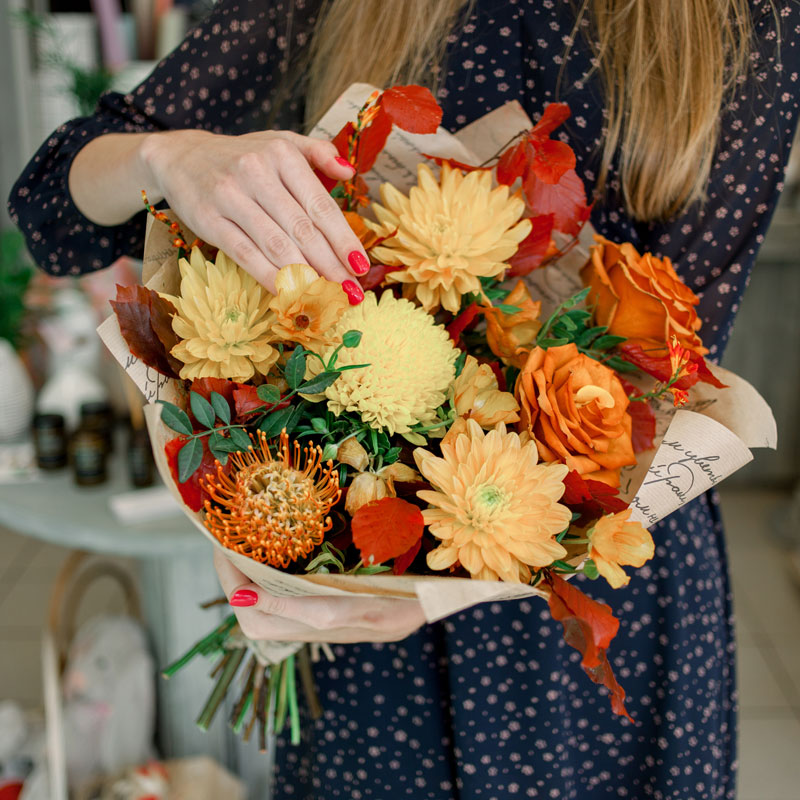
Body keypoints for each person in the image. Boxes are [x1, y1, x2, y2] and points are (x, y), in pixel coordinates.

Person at [9, 1, 800, 797]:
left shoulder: (749, 21)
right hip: (367, 602)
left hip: (597, 594)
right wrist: (168, 156)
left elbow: (677, 377)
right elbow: (52, 203)